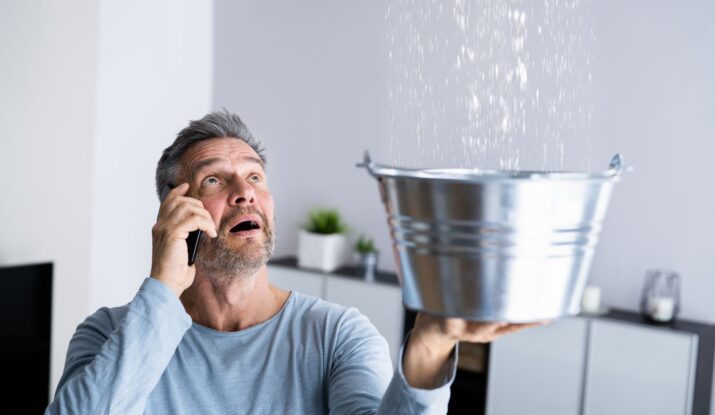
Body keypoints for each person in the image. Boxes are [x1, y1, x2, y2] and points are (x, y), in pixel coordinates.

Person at [45, 110, 538, 414]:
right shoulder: (109, 335)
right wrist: (162, 287)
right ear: (176, 213)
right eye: (215, 180)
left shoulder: (337, 335)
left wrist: (430, 342)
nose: (245, 193)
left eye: (256, 177)